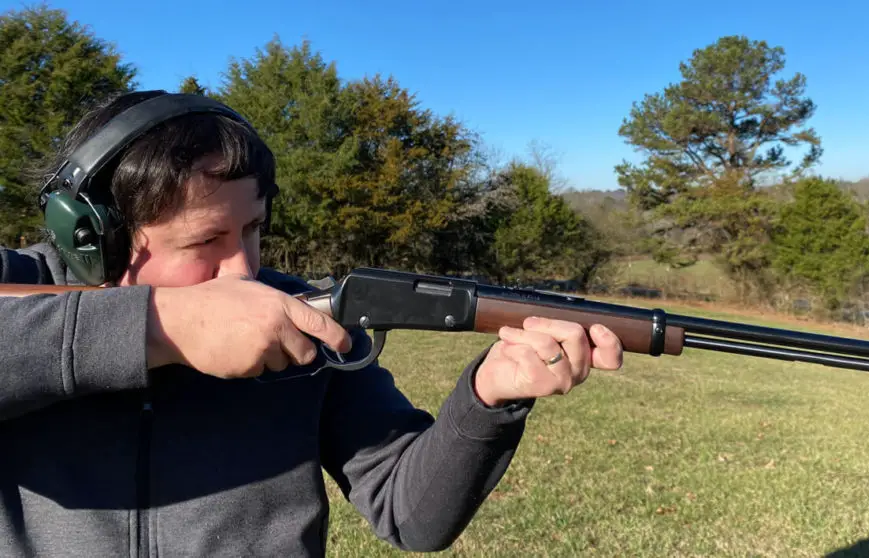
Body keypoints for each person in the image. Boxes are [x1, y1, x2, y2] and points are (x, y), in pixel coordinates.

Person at [0, 90, 624, 557]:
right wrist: (157, 329)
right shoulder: (21, 284)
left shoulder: (302, 322)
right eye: (205, 240)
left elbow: (411, 514)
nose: (242, 268)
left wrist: (488, 399)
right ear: (93, 241)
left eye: (252, 229)